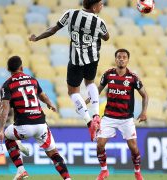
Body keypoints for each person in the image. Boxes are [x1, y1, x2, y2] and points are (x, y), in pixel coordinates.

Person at [29, 0, 110, 141]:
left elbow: (53, 29)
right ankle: (96, 115)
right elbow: (106, 37)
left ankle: (89, 121)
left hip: (75, 60)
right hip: (92, 59)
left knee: (73, 92)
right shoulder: (98, 22)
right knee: (90, 83)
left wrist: (37, 38)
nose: (102, 6)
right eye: (101, 4)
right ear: (95, 6)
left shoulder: (71, 14)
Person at [0, 56, 71, 180]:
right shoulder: (32, 80)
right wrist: (50, 103)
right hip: (41, 124)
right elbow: (42, 95)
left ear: (8, 69)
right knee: (53, 153)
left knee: (8, 137)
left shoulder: (7, 84)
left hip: (24, 126)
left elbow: (5, 108)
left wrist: (1, 129)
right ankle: (67, 178)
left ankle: (21, 170)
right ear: (22, 68)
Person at [94, 49, 148, 180]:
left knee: (134, 148)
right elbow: (97, 91)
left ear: (128, 60)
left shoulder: (133, 78)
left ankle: (137, 171)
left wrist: (144, 112)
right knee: (100, 144)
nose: (121, 59)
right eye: (119, 57)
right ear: (115, 59)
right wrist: (88, 100)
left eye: (124, 57)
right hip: (109, 117)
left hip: (126, 119)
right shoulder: (108, 74)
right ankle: (104, 171)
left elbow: (145, 95)